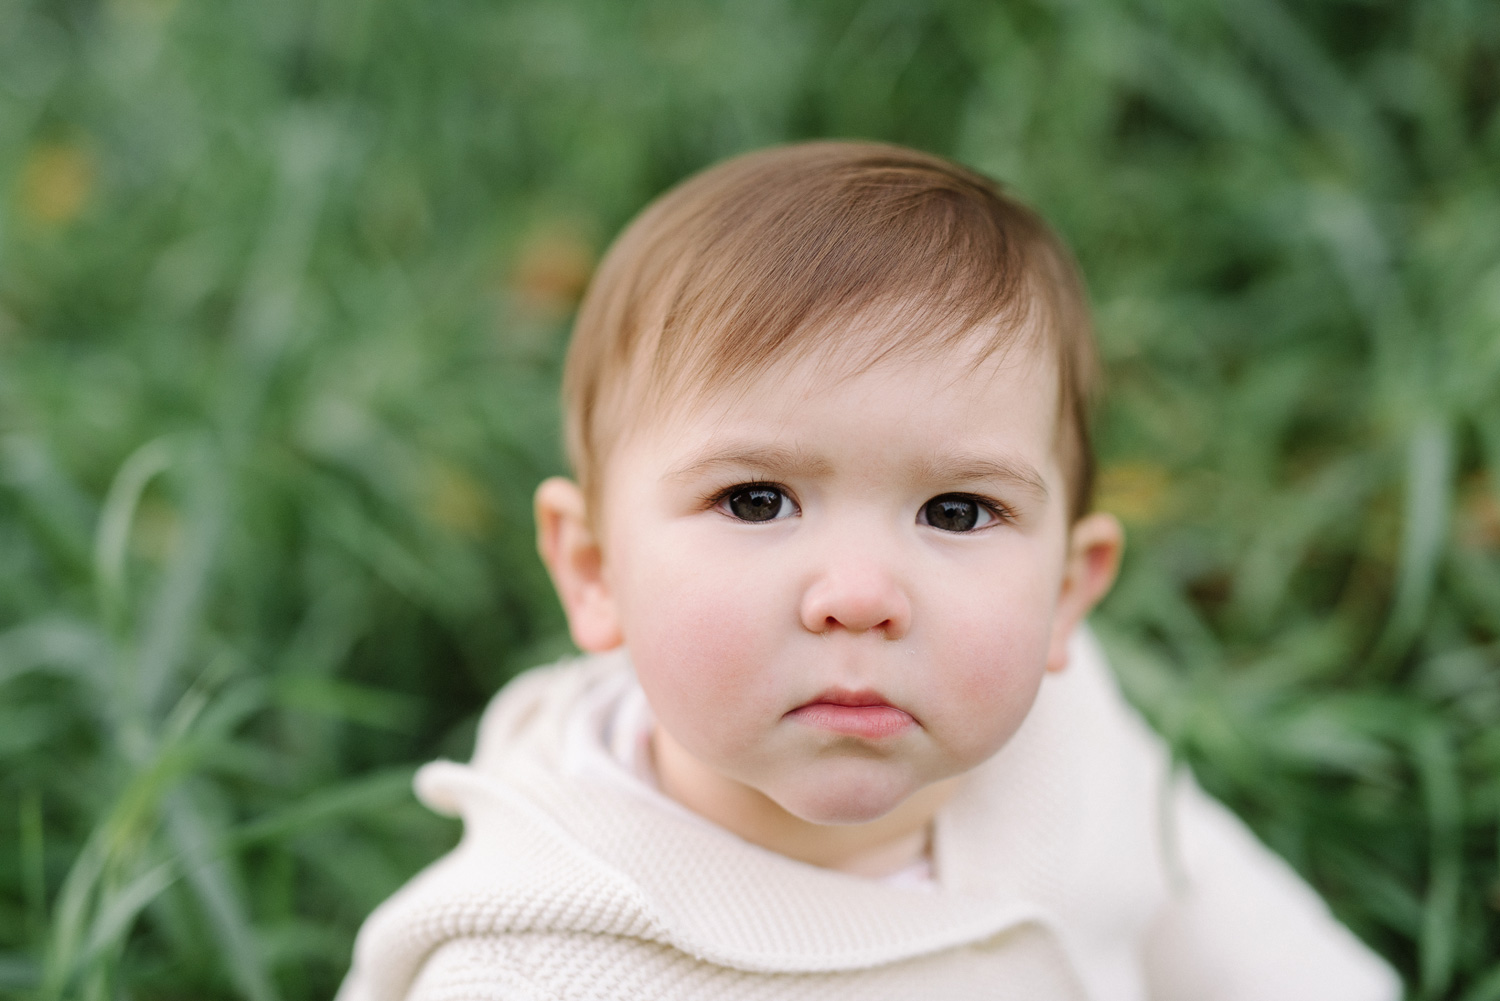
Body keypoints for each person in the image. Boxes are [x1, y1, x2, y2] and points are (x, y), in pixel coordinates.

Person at [336, 142, 1400, 1000]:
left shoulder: (1070, 731)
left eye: (957, 509)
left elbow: (1203, 897)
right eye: (756, 499)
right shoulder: (536, 968)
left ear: (1068, 591)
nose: (859, 593)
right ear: (594, 567)